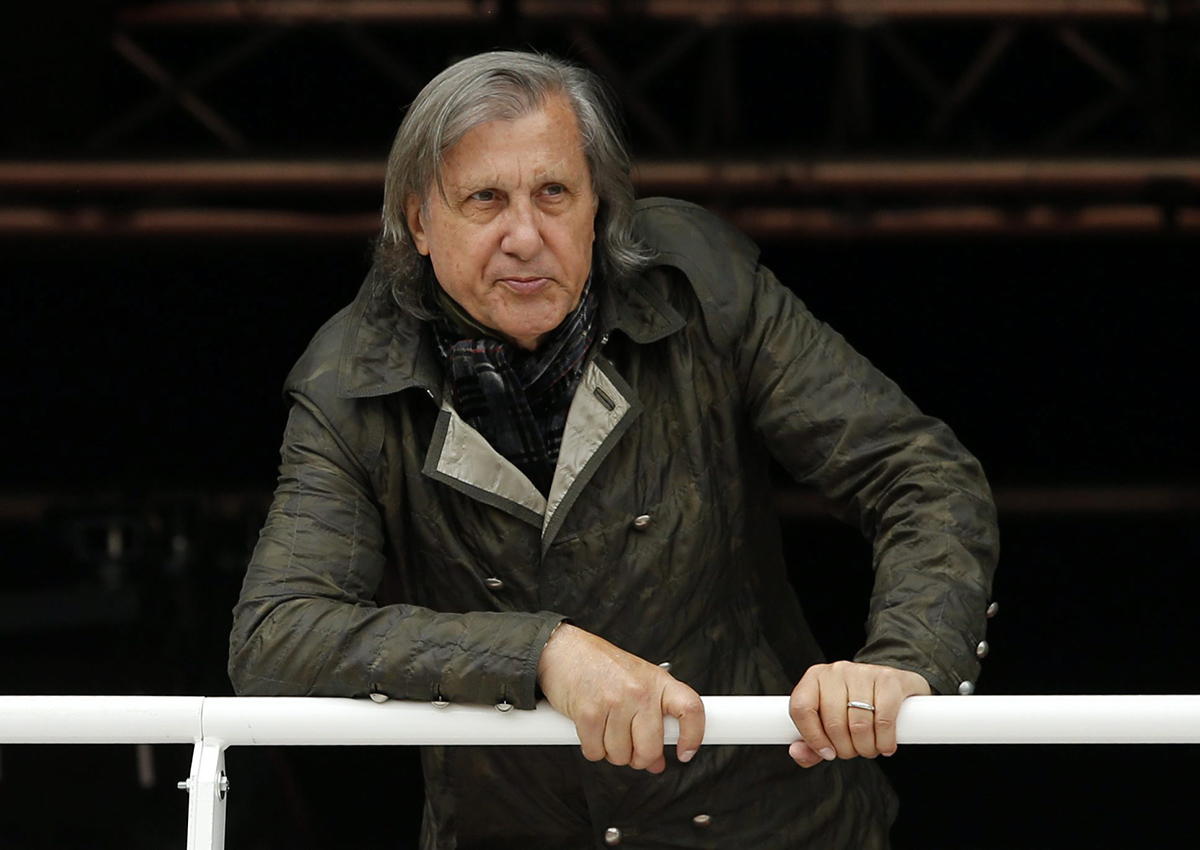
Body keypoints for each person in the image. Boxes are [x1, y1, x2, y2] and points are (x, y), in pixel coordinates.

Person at [229, 49, 998, 849]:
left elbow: (919, 474)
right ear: (420, 222)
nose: (524, 236)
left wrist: (905, 659)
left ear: (598, 205)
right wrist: (543, 653)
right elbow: (277, 633)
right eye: (485, 199)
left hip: (772, 827)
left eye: (553, 193)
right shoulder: (352, 375)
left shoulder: (698, 287)